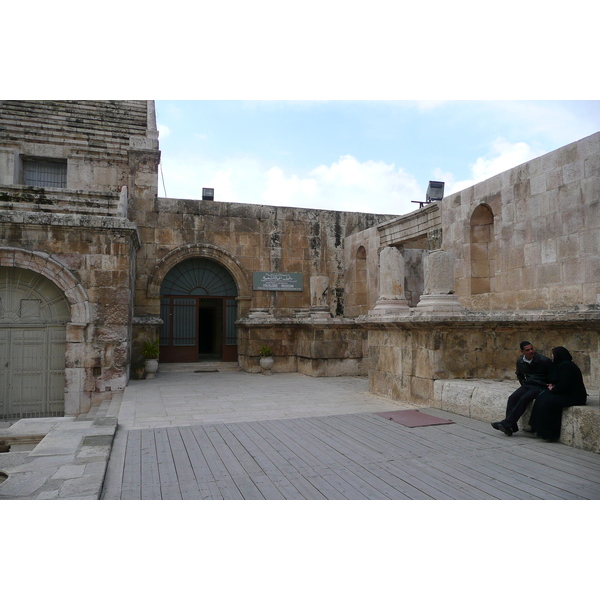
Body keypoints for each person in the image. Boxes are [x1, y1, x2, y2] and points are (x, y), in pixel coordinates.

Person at [492, 341, 553, 436]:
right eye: (527, 350)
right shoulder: (520, 361)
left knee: (524, 398)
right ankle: (511, 427)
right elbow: (519, 375)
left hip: (540, 386)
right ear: (522, 351)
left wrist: (548, 384)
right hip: (527, 385)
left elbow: (552, 374)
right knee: (512, 398)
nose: (531, 351)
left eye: (531, 349)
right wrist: (523, 383)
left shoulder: (544, 360)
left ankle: (506, 424)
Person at [527, 346, 588, 441]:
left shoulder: (567, 366)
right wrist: (552, 386)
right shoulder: (561, 365)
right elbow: (555, 378)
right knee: (541, 397)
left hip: (574, 396)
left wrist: (553, 389)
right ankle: (535, 426)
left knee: (549, 402)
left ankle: (549, 434)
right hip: (565, 392)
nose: (552, 356)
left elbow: (565, 385)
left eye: (553, 354)